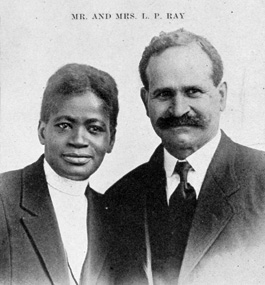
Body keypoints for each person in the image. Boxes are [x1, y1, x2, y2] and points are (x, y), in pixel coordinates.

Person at [104, 29, 265, 285]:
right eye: (164, 94)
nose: (179, 109)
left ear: (221, 96)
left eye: (193, 92)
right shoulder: (118, 199)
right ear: (146, 101)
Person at [0, 63, 119, 285]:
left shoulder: (114, 218)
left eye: (94, 129)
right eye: (64, 125)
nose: (78, 140)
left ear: (110, 139)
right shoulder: (4, 197)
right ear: (42, 131)